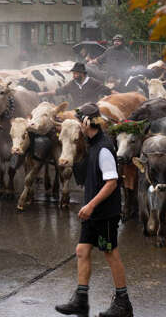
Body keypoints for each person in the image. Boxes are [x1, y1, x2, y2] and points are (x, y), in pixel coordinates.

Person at [55, 103, 133, 317]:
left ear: (88, 122)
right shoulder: (91, 145)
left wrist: (90, 205)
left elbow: (111, 183)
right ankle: (81, 300)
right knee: (82, 251)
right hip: (92, 212)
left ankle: (123, 303)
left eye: (81, 120)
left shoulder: (104, 148)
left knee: (110, 253)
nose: (79, 124)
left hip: (104, 212)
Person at [39, 63, 111, 108]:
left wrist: (121, 96)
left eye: (75, 74)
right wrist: (43, 93)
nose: (73, 76)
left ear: (82, 74)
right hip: (78, 111)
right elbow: (59, 91)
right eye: (73, 74)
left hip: (92, 111)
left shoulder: (93, 82)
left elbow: (109, 91)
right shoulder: (72, 84)